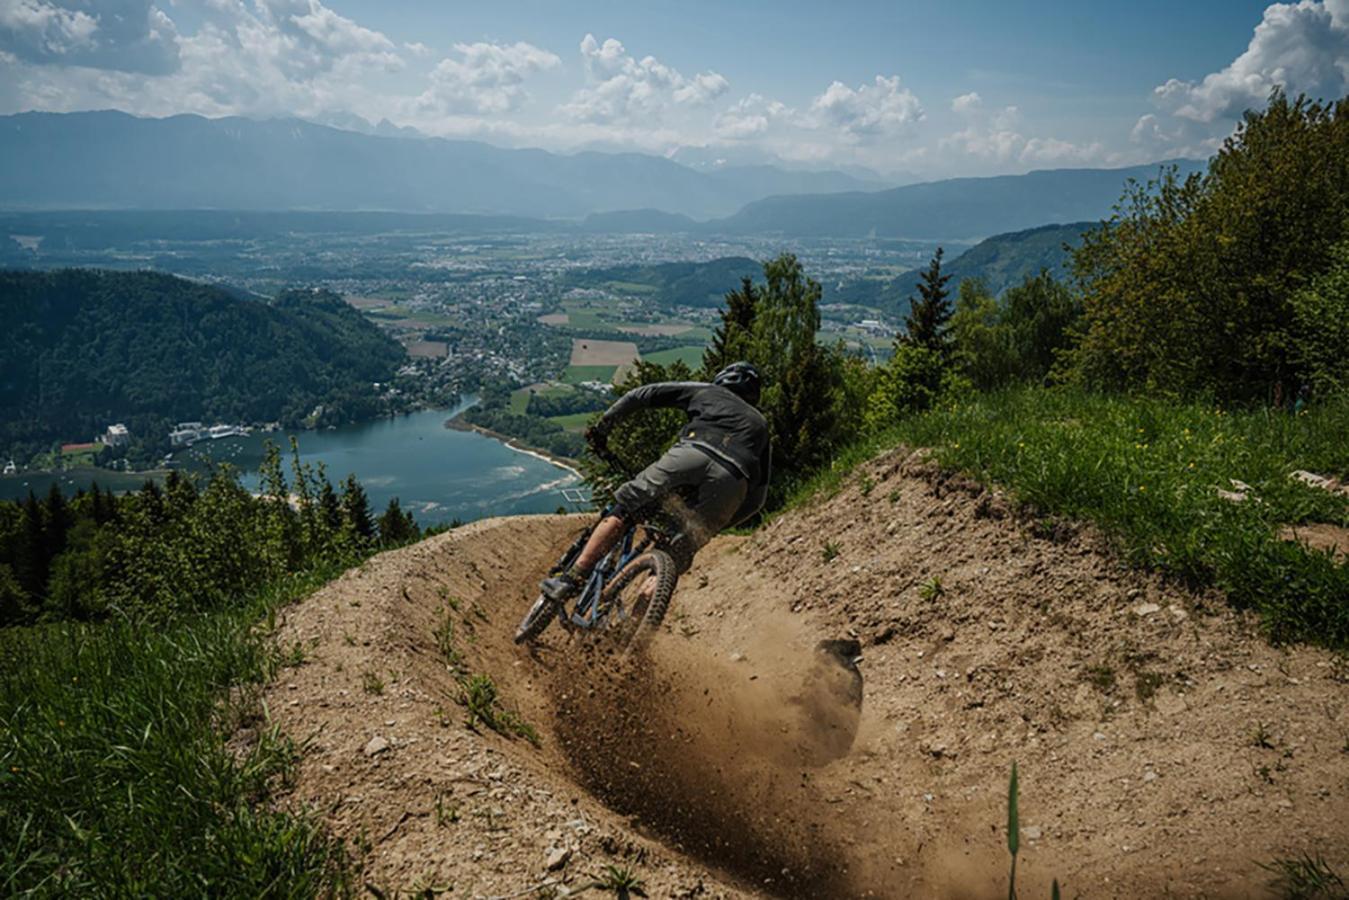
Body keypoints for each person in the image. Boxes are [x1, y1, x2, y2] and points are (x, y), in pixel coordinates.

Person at [539, 361, 771, 603]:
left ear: (723, 378)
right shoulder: (761, 425)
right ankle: (637, 628)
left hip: (692, 454)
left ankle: (570, 580)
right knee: (676, 554)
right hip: (733, 482)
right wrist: (717, 523)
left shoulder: (706, 391)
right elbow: (758, 500)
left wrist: (602, 429)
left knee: (626, 508)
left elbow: (640, 395)